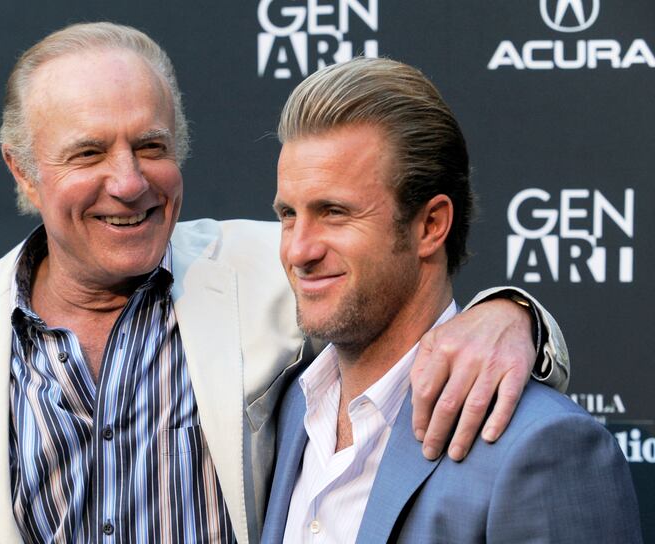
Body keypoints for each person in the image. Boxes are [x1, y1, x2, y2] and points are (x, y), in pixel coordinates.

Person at [0, 23, 568, 544]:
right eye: (88, 153)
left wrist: (512, 316)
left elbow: (399, 291)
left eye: (151, 146)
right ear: (23, 170)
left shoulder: (271, 265)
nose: (129, 181)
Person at [261, 57, 642, 543]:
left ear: (431, 225)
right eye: (288, 214)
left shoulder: (540, 445)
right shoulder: (286, 406)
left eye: (335, 212)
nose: (298, 250)